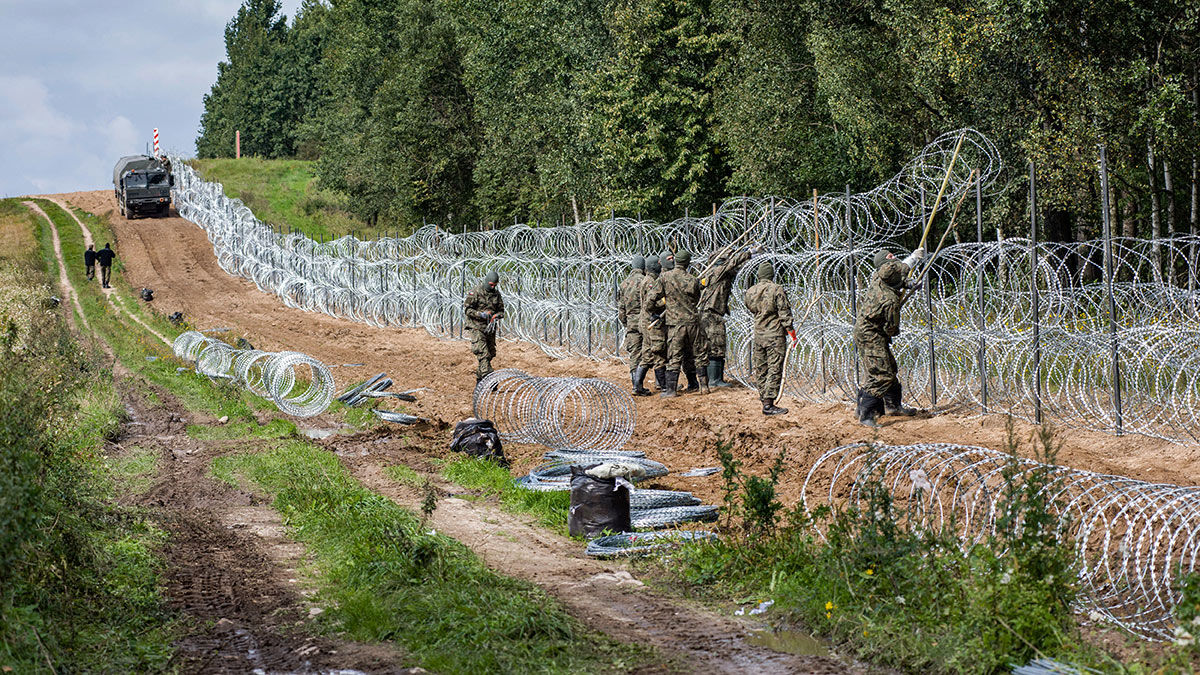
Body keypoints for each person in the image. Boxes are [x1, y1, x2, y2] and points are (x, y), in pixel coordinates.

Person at [852, 247, 925, 427]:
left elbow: (892, 277)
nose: (894, 259)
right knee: (881, 373)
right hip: (871, 334)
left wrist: (907, 284)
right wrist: (913, 259)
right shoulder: (890, 300)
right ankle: (866, 414)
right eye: (890, 258)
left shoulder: (878, 278)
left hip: (866, 331)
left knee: (888, 367)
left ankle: (892, 406)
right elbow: (892, 328)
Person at [647, 249, 707, 397]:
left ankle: (671, 390)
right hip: (693, 322)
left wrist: (653, 312)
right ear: (687, 263)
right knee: (698, 353)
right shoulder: (693, 280)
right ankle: (704, 387)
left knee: (674, 356)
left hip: (675, 324)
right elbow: (697, 299)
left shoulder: (665, 277)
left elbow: (651, 298)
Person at [698, 245, 759, 387]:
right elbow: (732, 263)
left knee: (715, 345)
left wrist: (748, 257)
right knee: (716, 346)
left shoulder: (720, 273)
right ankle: (714, 380)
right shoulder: (717, 271)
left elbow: (736, 268)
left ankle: (713, 379)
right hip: (711, 314)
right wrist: (749, 253)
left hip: (711, 313)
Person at [743, 261, 795, 415]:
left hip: (759, 335)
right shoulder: (776, 289)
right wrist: (791, 332)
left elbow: (750, 307)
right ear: (771, 275)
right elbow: (784, 313)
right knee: (774, 368)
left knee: (761, 368)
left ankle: (763, 398)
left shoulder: (751, 291)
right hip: (774, 335)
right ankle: (768, 404)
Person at [464, 270, 505, 384]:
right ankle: (490, 378)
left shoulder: (496, 294)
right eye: (491, 284)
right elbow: (467, 310)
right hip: (476, 326)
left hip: (489, 327)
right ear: (487, 281)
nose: (492, 287)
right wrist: (480, 314)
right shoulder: (476, 292)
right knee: (483, 353)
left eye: (495, 285)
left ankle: (480, 379)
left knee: (491, 353)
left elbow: (501, 311)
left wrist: (496, 316)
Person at [618, 255, 649, 395]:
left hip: (631, 322)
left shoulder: (624, 283)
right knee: (653, 352)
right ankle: (661, 384)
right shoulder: (646, 281)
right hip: (646, 321)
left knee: (635, 354)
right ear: (643, 267)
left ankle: (636, 385)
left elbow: (621, 309)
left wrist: (627, 323)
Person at [638, 256, 667, 394]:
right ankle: (664, 386)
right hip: (651, 322)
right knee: (658, 351)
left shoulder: (647, 279)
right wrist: (665, 301)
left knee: (647, 354)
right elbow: (651, 303)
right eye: (659, 264)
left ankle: (637, 385)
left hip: (645, 321)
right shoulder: (651, 281)